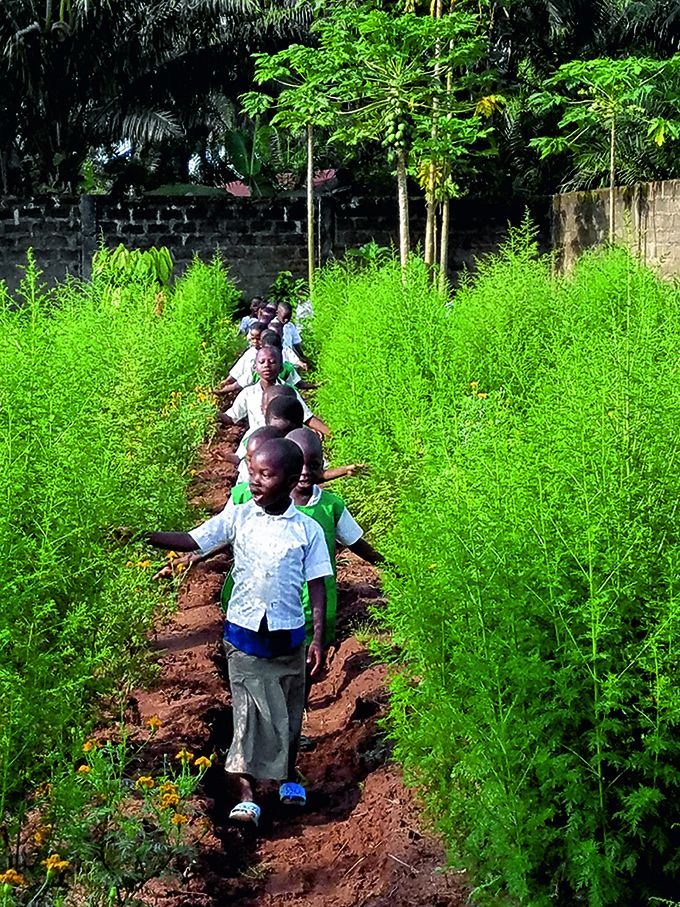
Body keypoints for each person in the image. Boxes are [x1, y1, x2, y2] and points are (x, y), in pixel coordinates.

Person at [143, 438, 333, 825]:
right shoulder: (240, 517)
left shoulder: (307, 530)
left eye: (267, 474)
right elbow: (195, 539)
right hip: (243, 634)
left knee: (288, 713)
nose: (257, 481)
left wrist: (317, 638)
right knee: (247, 711)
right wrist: (143, 535)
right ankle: (246, 793)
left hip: (289, 637)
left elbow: (317, 585)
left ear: (292, 478)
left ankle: (286, 776)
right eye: (253, 472)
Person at [220, 346, 330, 436]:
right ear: (255, 367)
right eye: (262, 362)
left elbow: (307, 417)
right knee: (244, 459)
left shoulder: (288, 392)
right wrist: (211, 414)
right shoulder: (248, 393)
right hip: (257, 439)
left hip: (286, 438)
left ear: (281, 367)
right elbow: (231, 417)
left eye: (272, 362)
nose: (266, 365)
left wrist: (334, 434)